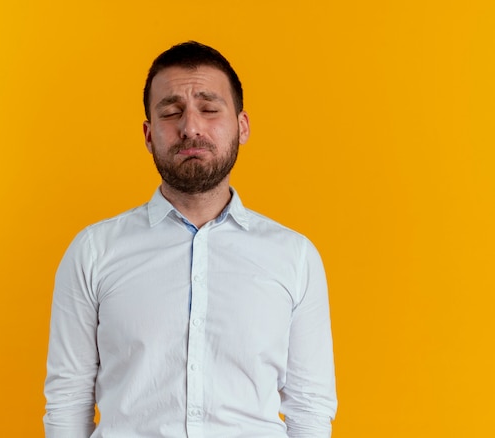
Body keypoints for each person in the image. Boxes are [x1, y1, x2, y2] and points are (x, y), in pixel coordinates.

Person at [44, 41, 337, 438]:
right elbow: (68, 401)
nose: (191, 127)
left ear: (243, 126)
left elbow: (310, 407)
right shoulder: (93, 252)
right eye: (171, 112)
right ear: (149, 135)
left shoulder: (294, 257)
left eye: (210, 108)